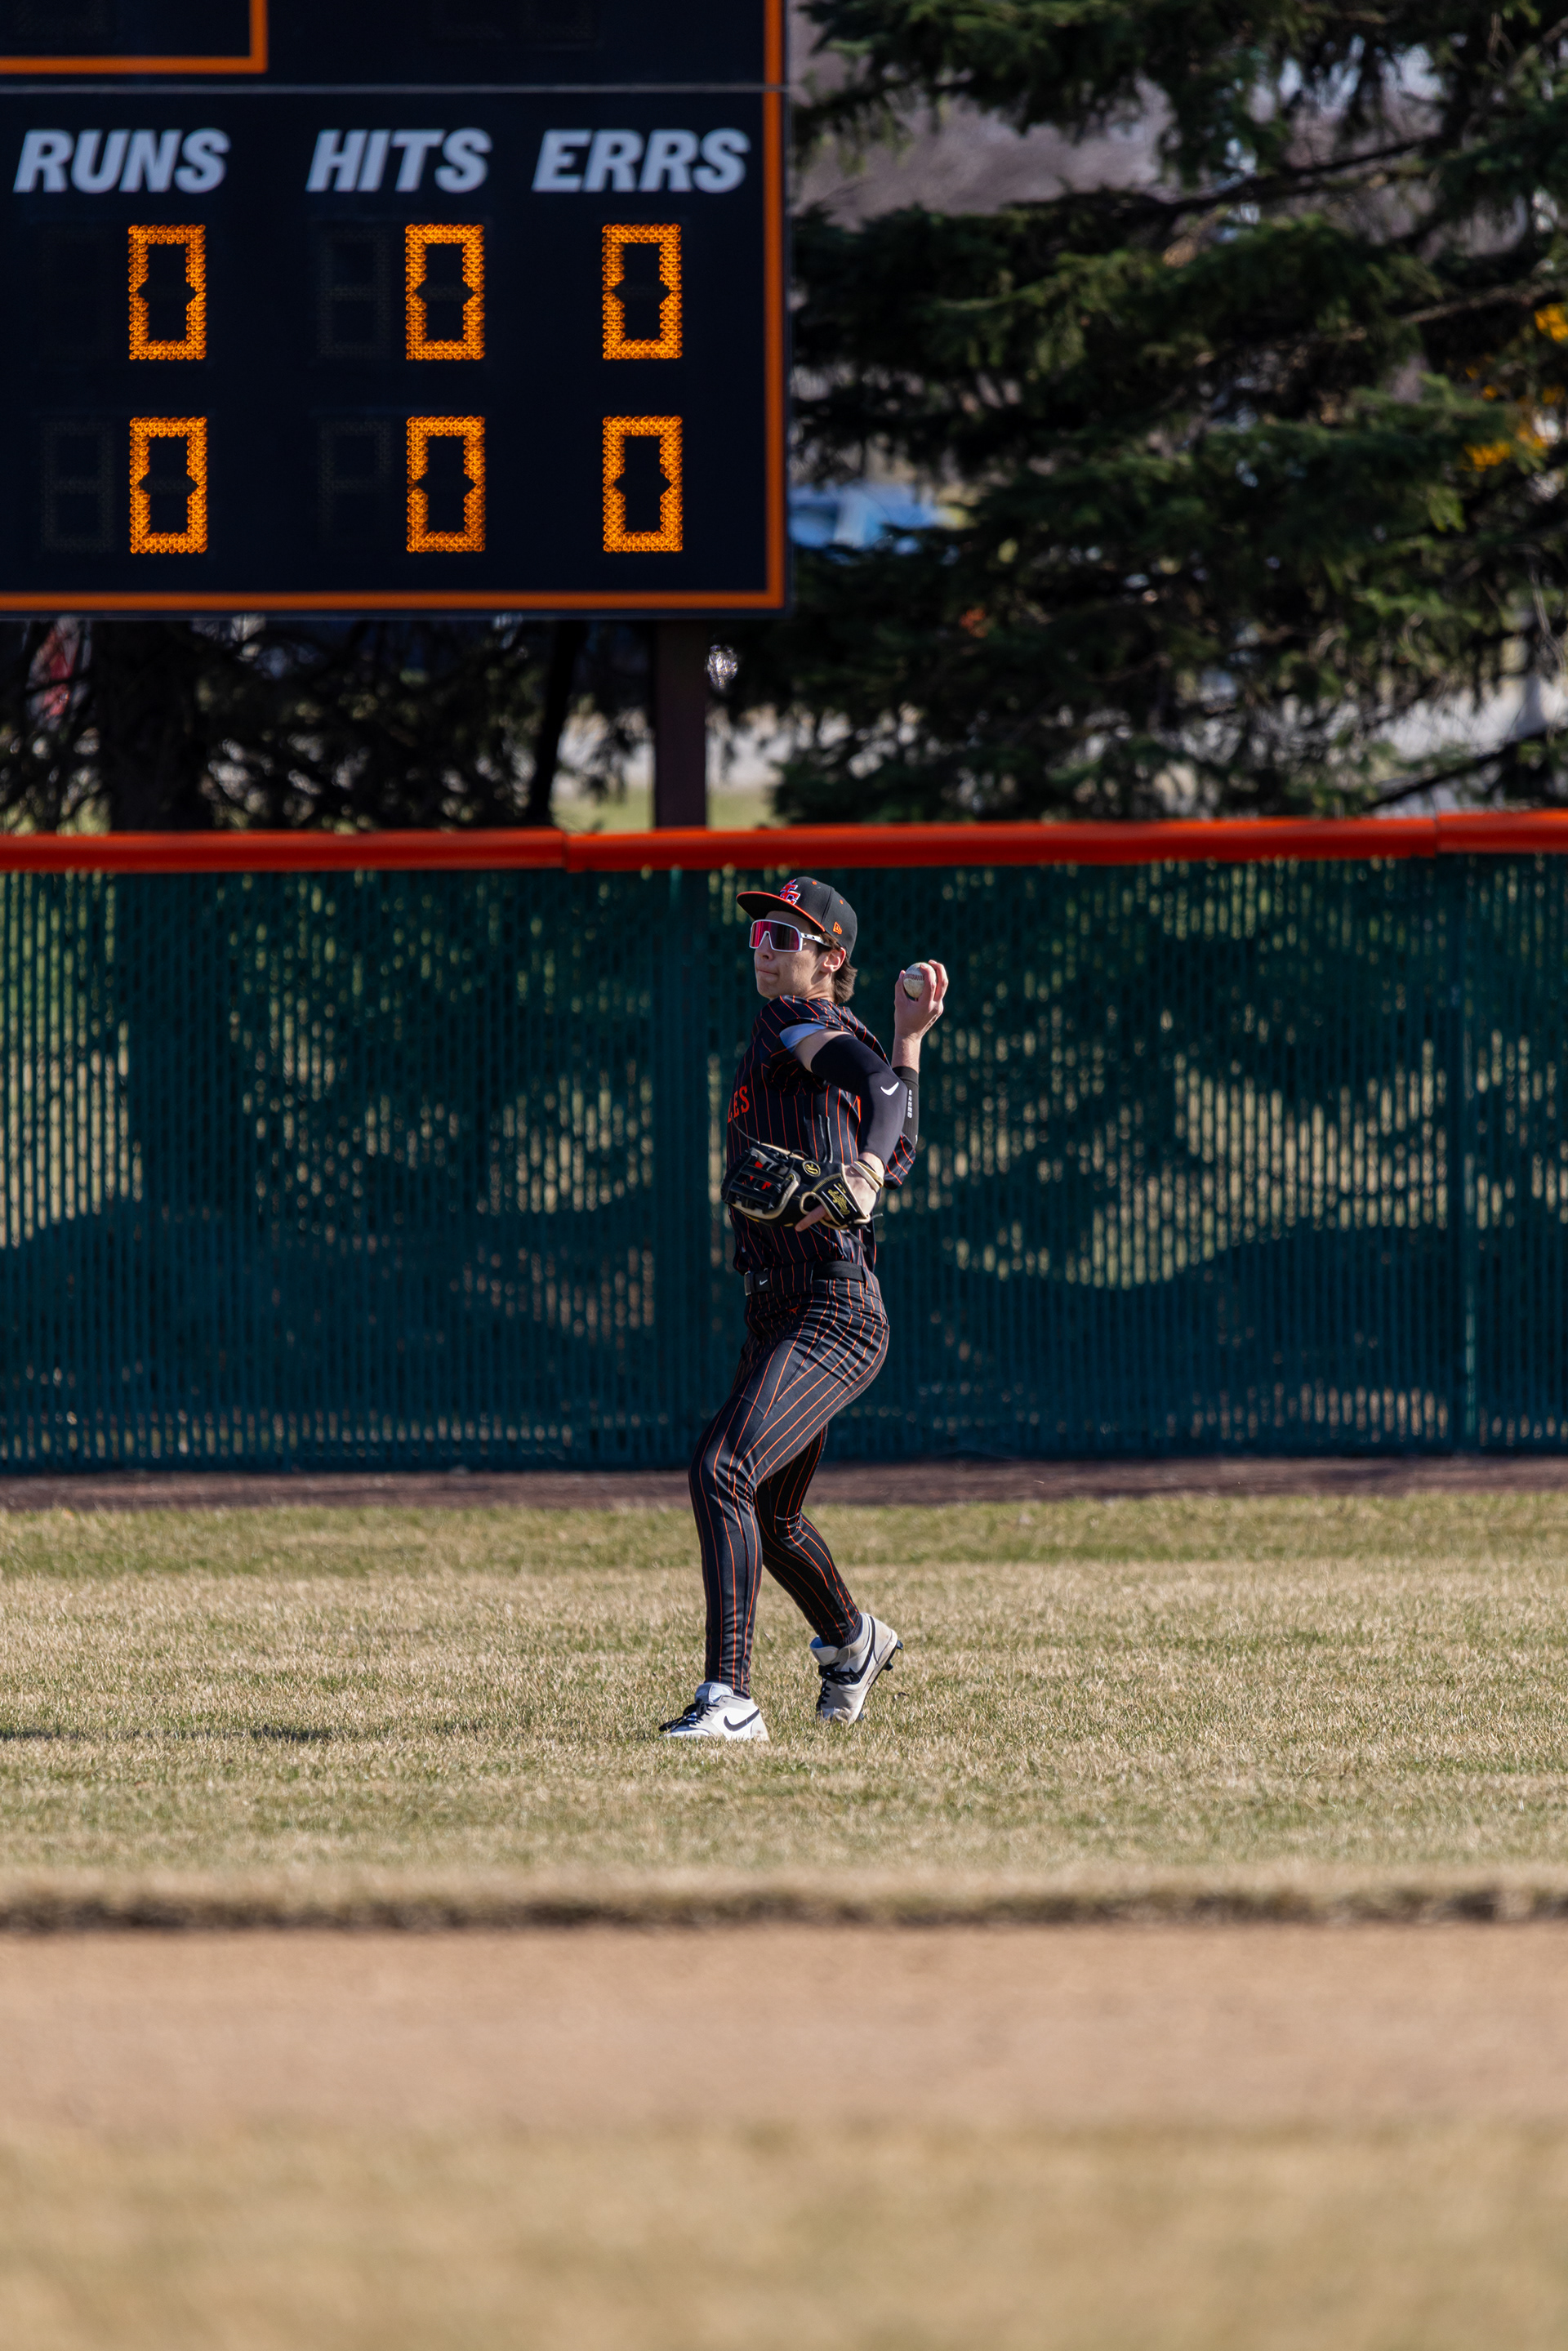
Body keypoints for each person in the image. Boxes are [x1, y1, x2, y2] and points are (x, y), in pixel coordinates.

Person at [660, 876, 949, 1741]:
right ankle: (853, 1641)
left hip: (831, 1304)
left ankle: (729, 1698)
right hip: (785, 1305)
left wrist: (863, 1170)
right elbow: (900, 1129)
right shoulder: (843, 1033)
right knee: (773, 1515)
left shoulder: (795, 1021)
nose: (766, 950)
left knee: (722, 1468)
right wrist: (908, 1040)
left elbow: (881, 1115)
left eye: (787, 937)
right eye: (760, 935)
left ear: (831, 959)